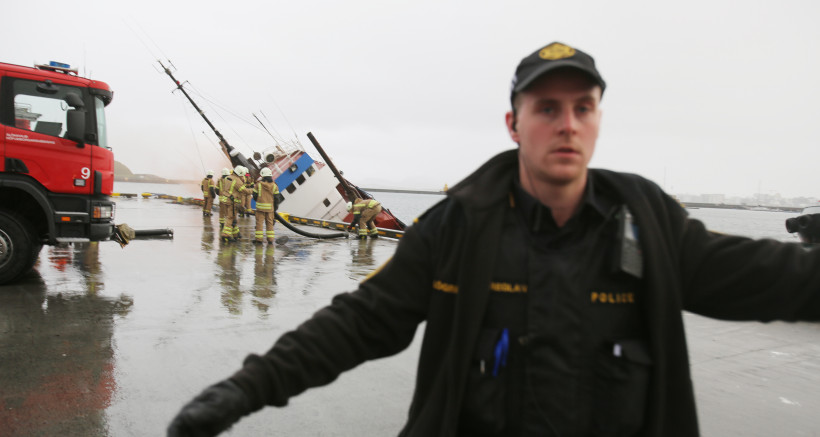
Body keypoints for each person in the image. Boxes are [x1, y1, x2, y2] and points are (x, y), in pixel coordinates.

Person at [167, 42, 820, 436]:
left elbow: (774, 278)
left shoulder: (649, 226)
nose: (566, 123)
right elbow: (360, 322)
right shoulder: (458, 227)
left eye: (582, 107)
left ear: (597, 122)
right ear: (513, 122)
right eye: (546, 108)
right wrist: (244, 388)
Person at [219, 166, 246, 243]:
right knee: (230, 218)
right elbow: (242, 194)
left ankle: (236, 234)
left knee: (233, 219)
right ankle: (226, 235)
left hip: (225, 200)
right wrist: (242, 206)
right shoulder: (237, 182)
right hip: (232, 203)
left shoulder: (225, 179)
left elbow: (217, 189)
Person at [252, 167, 279, 244]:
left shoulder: (258, 185)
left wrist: (259, 200)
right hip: (270, 209)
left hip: (260, 208)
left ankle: (259, 239)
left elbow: (254, 195)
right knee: (270, 224)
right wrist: (275, 208)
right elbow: (277, 198)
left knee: (259, 223)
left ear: (262, 176)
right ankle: (270, 239)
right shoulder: (275, 186)